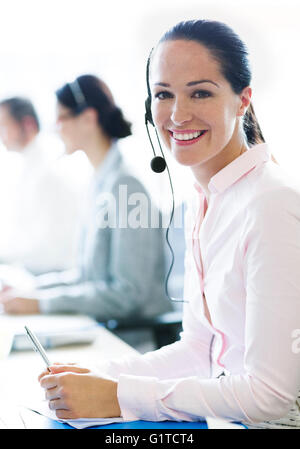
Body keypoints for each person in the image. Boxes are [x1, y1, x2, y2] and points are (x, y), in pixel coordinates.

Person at [38, 21, 300, 428]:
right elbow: (199, 349)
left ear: (242, 100)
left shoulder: (272, 204)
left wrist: (119, 395)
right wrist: (104, 374)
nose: (177, 114)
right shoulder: (205, 200)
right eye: (163, 95)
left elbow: (269, 398)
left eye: (200, 92)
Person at [0, 74, 171, 326]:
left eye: (61, 118)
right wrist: (32, 291)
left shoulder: (127, 188)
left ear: (89, 118)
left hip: (132, 339)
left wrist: (41, 302)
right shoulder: (98, 184)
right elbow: (86, 277)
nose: (55, 128)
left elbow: (129, 293)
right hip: (101, 327)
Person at [0, 97, 81, 274]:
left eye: (4, 126)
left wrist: (5, 257)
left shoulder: (48, 171)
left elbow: (51, 248)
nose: (1, 136)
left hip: (53, 274)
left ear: (27, 124)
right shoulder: (28, 169)